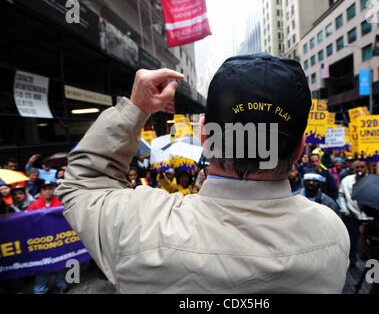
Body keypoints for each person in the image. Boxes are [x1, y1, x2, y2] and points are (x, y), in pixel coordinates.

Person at [56, 56, 350, 293]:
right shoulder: (332, 232)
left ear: (206, 136)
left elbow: (83, 184)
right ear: (300, 148)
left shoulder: (142, 224)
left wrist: (136, 108)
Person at [338, 160, 371, 268]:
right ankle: (351, 260)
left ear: (366, 168)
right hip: (352, 216)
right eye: (357, 167)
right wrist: (345, 211)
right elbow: (341, 195)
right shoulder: (346, 181)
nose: (360, 170)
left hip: (368, 217)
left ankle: (368, 259)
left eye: (362, 167)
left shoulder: (372, 181)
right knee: (353, 240)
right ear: (353, 168)